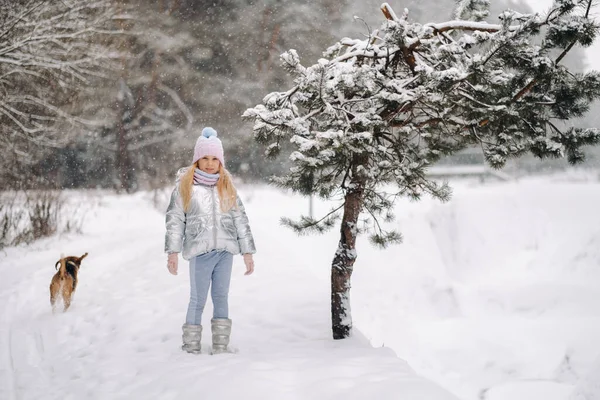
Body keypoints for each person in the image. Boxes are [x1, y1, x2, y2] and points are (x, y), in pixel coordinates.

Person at [164, 127, 256, 355]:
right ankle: (191, 345)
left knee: (221, 297)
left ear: (220, 161)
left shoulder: (227, 187)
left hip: (225, 253)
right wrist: (173, 252)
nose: (209, 163)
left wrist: (247, 252)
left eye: (215, 158)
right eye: (205, 158)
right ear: (196, 160)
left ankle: (221, 345)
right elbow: (175, 220)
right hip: (200, 253)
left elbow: (240, 220)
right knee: (197, 299)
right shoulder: (186, 188)